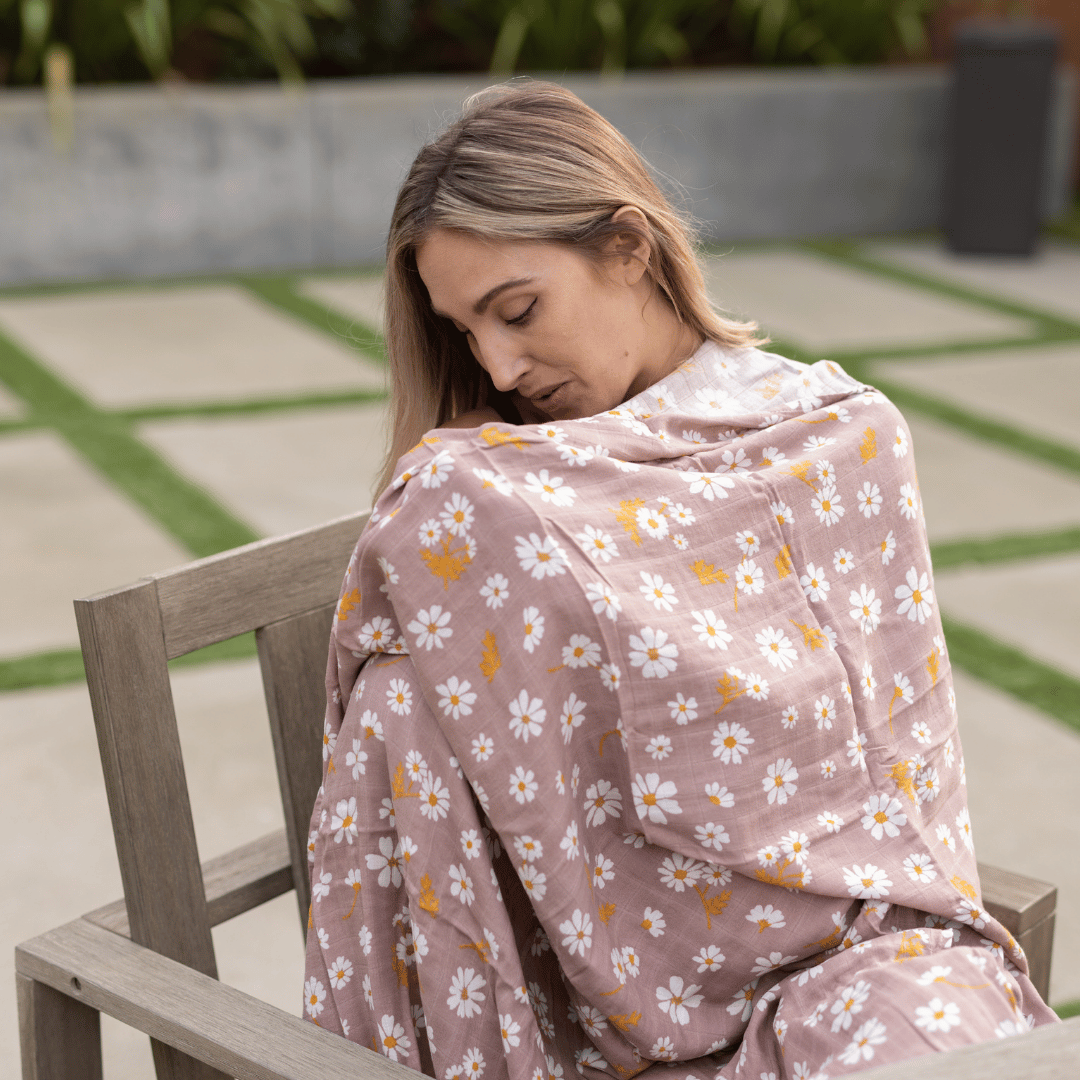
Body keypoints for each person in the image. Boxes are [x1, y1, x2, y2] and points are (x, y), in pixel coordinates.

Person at [303, 83, 1056, 1079]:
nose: (496, 365)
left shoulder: (833, 438)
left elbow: (889, 768)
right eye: (462, 332)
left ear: (628, 247)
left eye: (517, 310)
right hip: (592, 1007)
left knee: (928, 1022)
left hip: (866, 957)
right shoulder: (484, 510)